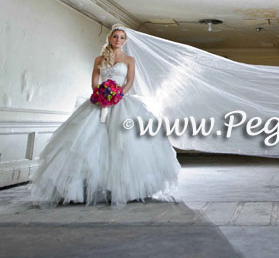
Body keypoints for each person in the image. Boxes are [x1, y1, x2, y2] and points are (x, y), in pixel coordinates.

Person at [28, 24, 181, 207]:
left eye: (122, 37)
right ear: (109, 38)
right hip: (99, 101)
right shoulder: (99, 58)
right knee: (87, 142)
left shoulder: (129, 60)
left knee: (124, 144)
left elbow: (130, 81)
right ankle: (83, 190)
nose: (118, 40)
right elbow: (94, 79)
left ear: (125, 41)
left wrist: (118, 95)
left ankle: (123, 188)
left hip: (120, 101)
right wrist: (99, 94)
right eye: (115, 36)